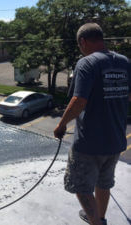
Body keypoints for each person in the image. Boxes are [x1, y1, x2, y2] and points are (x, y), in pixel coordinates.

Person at [54, 23, 131, 225]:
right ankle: (101, 218)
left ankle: (96, 222)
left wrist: (61, 125)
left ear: (83, 42)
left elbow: (78, 101)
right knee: (104, 183)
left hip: (89, 144)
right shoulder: (124, 62)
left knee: (81, 186)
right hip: (115, 142)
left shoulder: (87, 63)